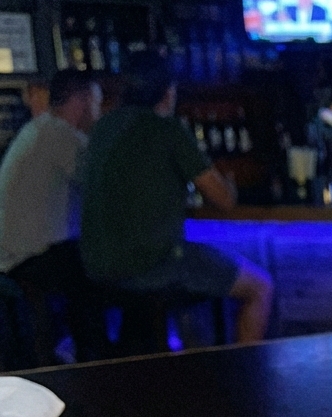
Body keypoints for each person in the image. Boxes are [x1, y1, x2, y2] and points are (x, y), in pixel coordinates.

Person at [80, 50, 272, 345]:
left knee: (194, 279)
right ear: (168, 92)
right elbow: (222, 199)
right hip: (153, 264)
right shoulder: (166, 129)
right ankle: (245, 378)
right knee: (260, 287)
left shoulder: (102, 128)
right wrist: (230, 185)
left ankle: (189, 368)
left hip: (97, 265)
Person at [0, 70, 103, 364]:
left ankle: (80, 355)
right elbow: (101, 183)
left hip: (13, 256)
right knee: (102, 266)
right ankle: (96, 362)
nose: (98, 112)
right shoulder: (59, 134)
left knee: (83, 260)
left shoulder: (39, 130)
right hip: (25, 259)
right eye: (96, 102)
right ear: (81, 101)